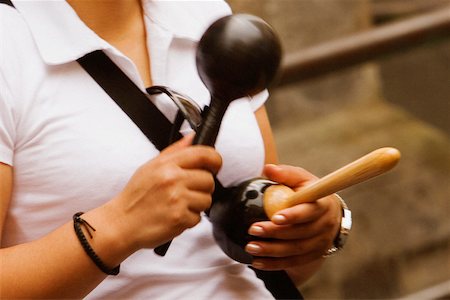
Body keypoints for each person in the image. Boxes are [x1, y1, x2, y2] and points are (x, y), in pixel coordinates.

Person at [0, 0, 345, 298]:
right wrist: (117, 226)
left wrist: (314, 232)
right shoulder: (9, 44)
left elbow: (261, 257)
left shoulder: (203, 12)